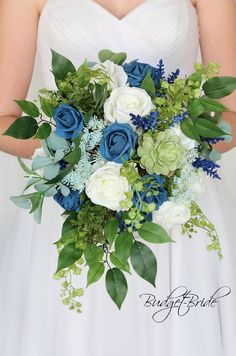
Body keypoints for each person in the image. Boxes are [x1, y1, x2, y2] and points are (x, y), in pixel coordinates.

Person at [0, 0, 236, 355]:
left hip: (178, 206)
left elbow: (232, 112)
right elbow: (4, 118)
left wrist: (170, 148)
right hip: (69, 207)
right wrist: (81, 155)